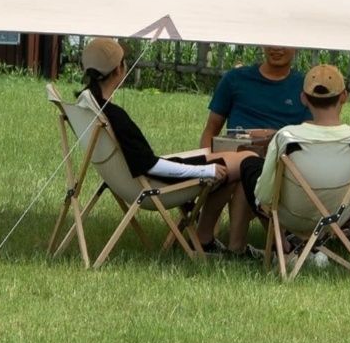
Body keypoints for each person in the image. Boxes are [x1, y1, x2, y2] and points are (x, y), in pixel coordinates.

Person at [80, 37, 258, 255]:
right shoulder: (115, 116)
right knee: (246, 160)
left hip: (130, 180)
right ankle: (275, 241)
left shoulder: (88, 105)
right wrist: (204, 170)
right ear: (120, 68)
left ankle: (205, 239)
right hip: (154, 184)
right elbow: (150, 166)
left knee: (236, 163)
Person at [229, 63, 350, 256]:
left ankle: (281, 247)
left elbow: (265, 195)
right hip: (339, 217)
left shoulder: (287, 137)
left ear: (303, 98)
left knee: (249, 163)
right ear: (344, 97)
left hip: (291, 216)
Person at [199, 45, 311, 148]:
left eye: (284, 42)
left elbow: (309, 139)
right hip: (236, 155)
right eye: (272, 41)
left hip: (282, 158)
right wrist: (208, 163)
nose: (276, 47)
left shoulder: (306, 87)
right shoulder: (235, 78)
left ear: (297, 46)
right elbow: (211, 129)